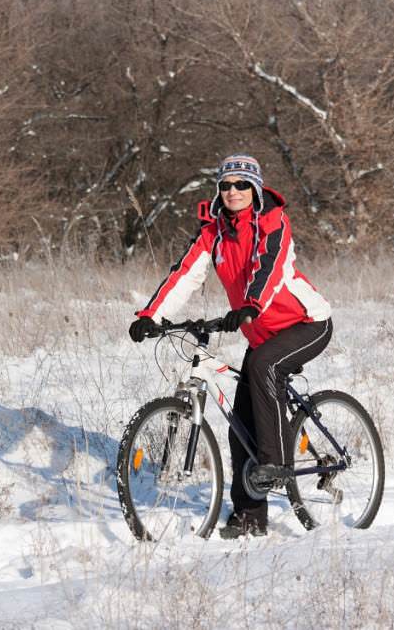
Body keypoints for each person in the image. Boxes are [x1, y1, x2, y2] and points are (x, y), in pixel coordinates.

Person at [128, 154, 333, 539]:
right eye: (225, 185)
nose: (232, 192)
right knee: (240, 426)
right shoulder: (214, 233)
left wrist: (249, 306)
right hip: (261, 333)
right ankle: (249, 516)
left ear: (254, 189)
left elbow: (268, 270)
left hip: (306, 322)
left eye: (241, 185)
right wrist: (150, 315)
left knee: (263, 368)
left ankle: (276, 462)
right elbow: (185, 275)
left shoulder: (273, 222)